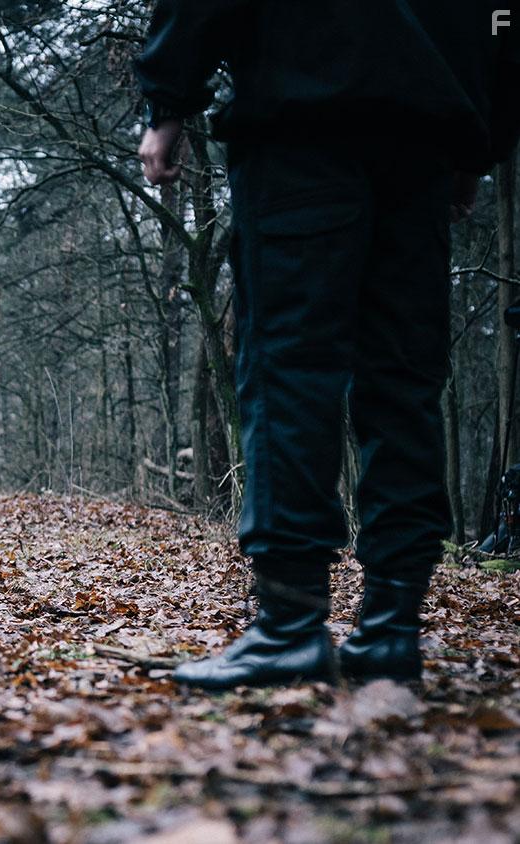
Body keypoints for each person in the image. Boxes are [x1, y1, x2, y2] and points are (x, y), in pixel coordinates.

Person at [135, 1, 518, 689]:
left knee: (289, 371)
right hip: (423, 133)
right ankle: (392, 628)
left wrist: (168, 102)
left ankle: (292, 624)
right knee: (403, 384)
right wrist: (478, 140)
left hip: (302, 117)